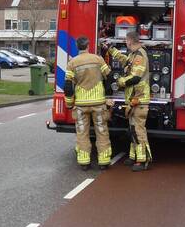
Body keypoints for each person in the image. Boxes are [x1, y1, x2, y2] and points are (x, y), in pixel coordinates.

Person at [63, 36, 113, 170]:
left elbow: (68, 86)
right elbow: (109, 76)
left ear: (77, 46)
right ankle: (104, 161)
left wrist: (69, 104)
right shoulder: (98, 59)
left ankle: (84, 162)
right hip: (98, 104)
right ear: (88, 46)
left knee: (82, 133)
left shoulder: (72, 63)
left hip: (80, 105)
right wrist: (107, 95)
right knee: (102, 131)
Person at [107, 30, 151, 171]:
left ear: (130, 41)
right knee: (132, 130)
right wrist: (111, 50)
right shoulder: (133, 55)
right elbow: (125, 61)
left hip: (139, 100)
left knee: (138, 131)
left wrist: (120, 81)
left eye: (126, 41)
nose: (125, 43)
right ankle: (134, 157)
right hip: (133, 100)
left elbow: (135, 78)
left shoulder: (140, 55)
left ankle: (142, 161)